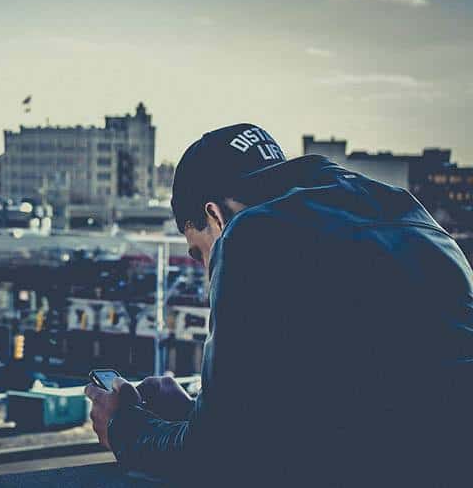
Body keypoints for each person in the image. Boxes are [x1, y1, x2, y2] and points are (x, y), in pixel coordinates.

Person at [85, 124, 473, 486]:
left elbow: (214, 460)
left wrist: (123, 425)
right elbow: (348, 410)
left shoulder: (252, 232)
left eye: (199, 253)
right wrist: (193, 415)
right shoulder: (411, 216)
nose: (207, 277)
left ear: (214, 216)